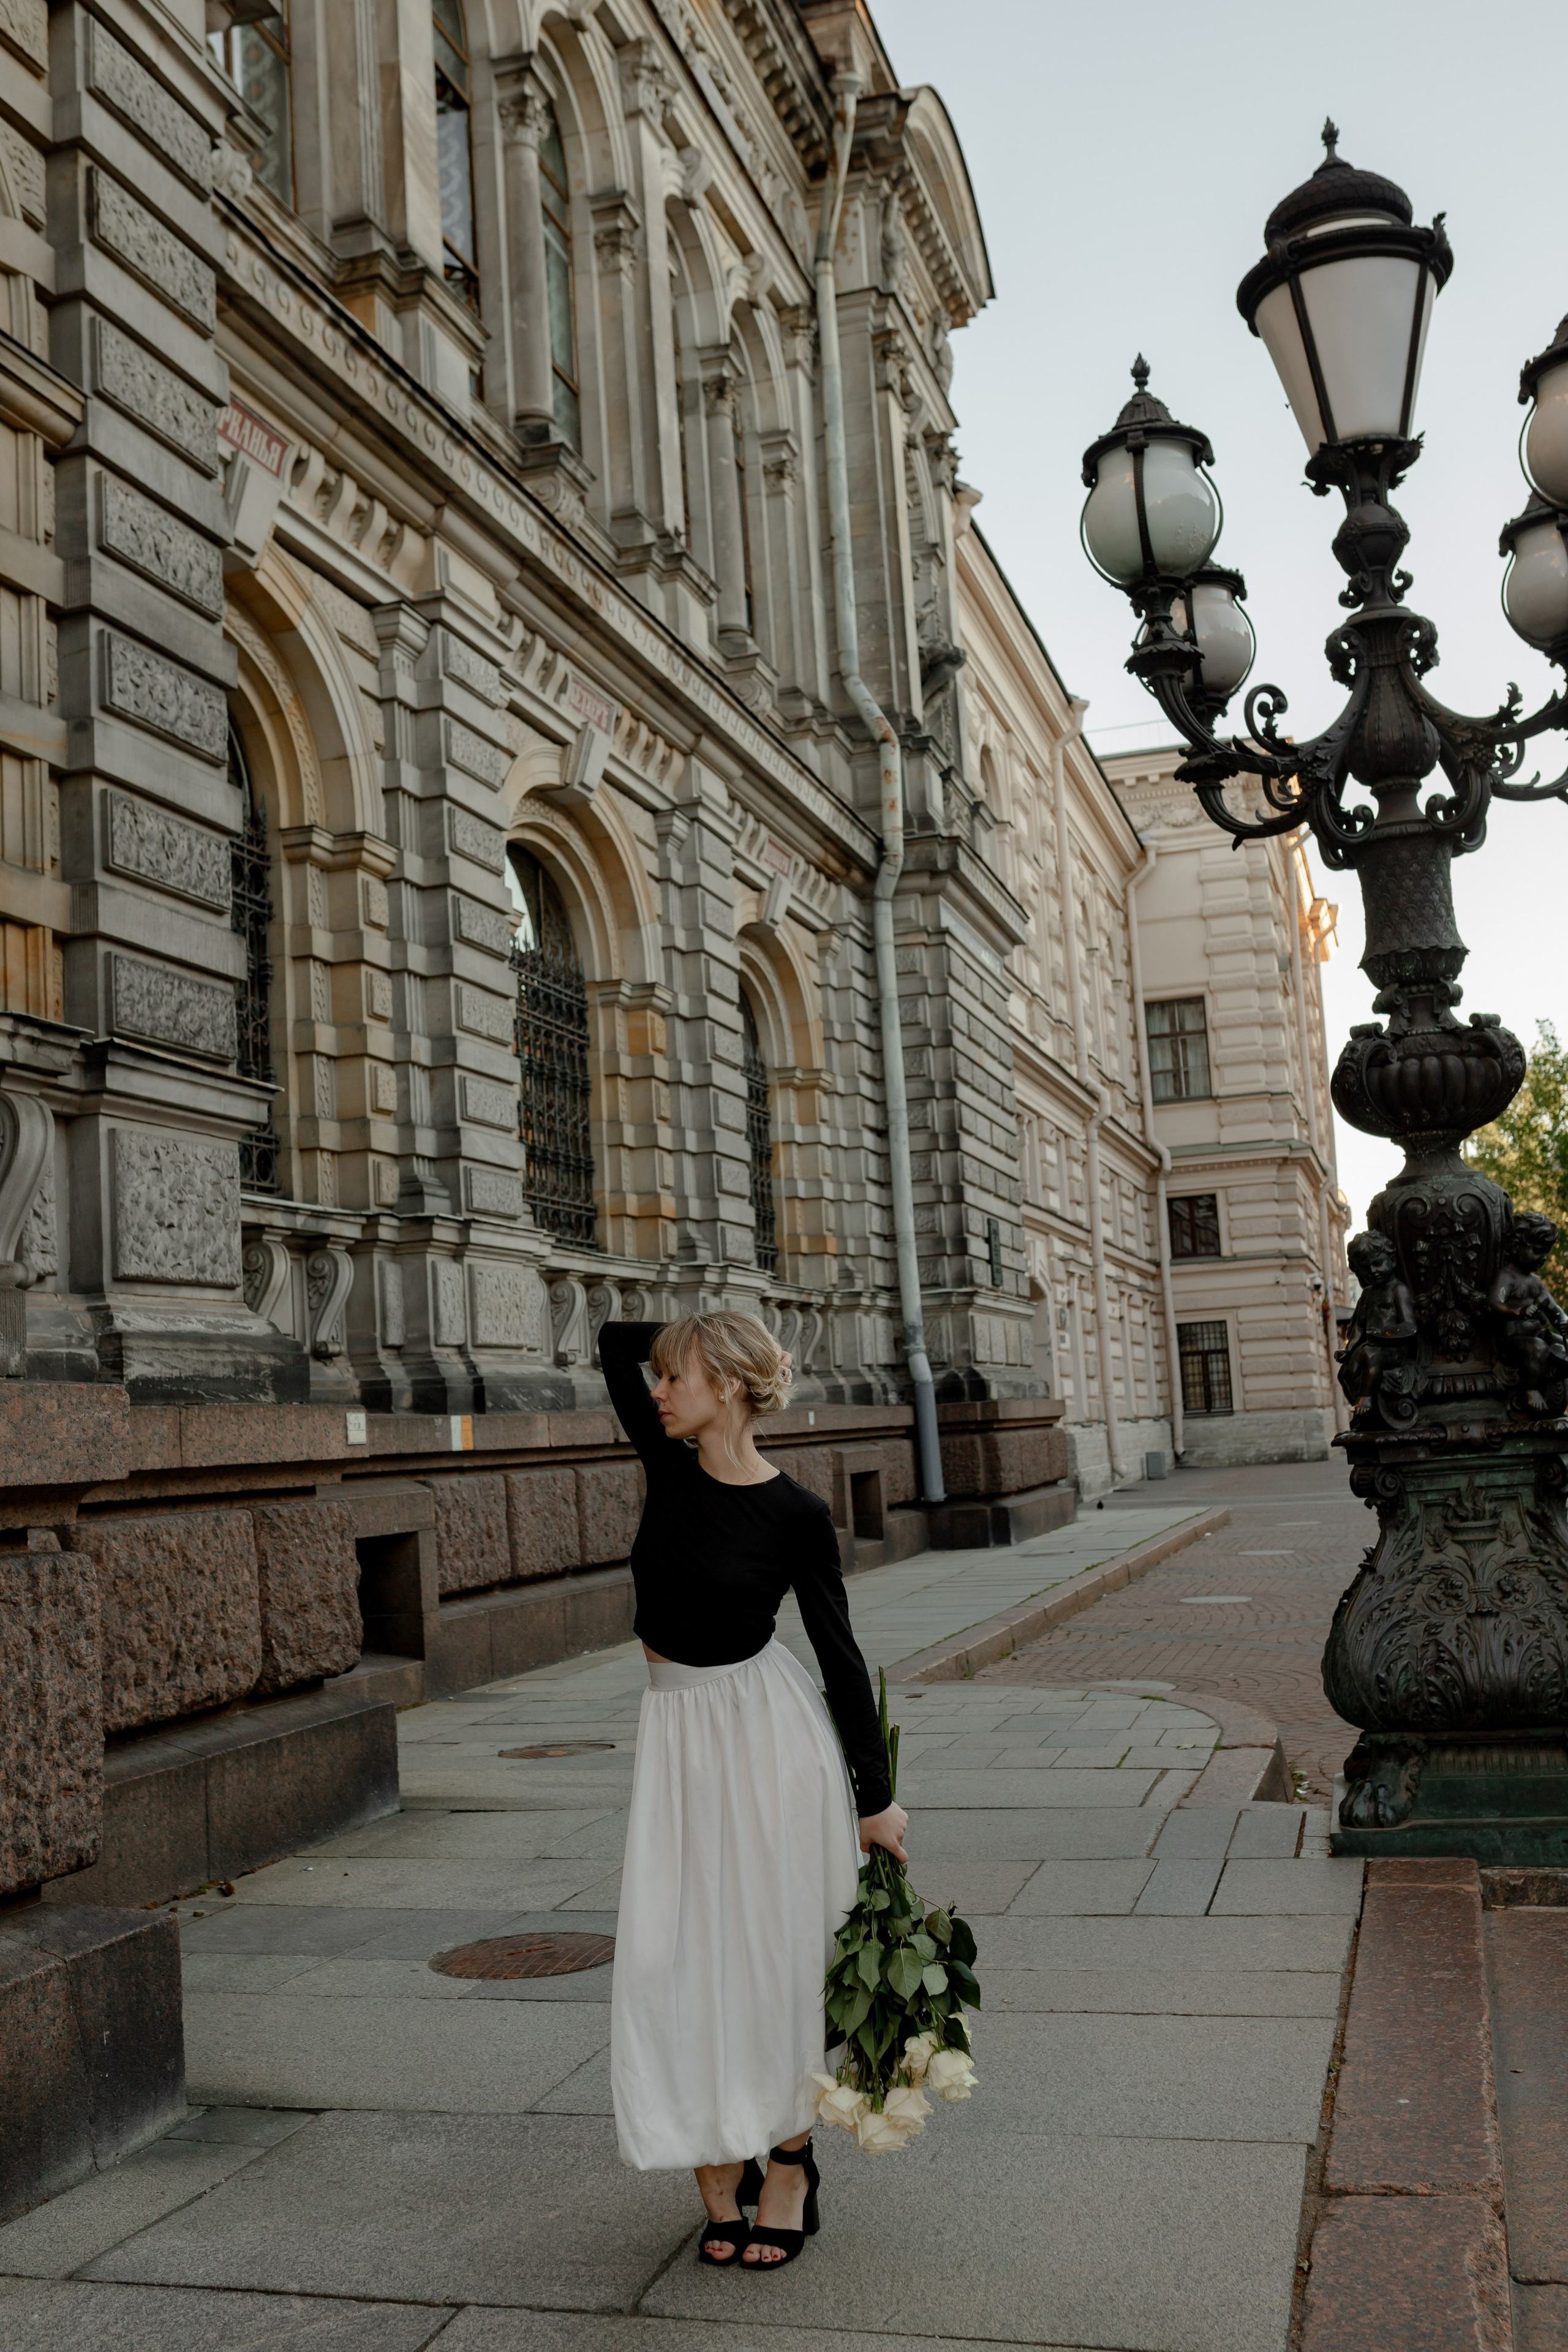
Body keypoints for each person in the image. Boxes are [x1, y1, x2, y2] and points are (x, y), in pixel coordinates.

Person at [599, 1310, 909, 2272]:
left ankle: (788, 2159)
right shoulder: (666, 1462)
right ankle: (711, 2134)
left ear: (725, 1386)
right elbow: (617, 1340)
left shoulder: (796, 1515)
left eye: (677, 1377)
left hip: (768, 1741)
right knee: (676, 1951)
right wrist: (708, 1337)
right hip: (679, 1738)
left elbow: (841, 1658)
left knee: (775, 1955)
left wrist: (875, 1799)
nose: (656, 1391)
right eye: (661, 1380)